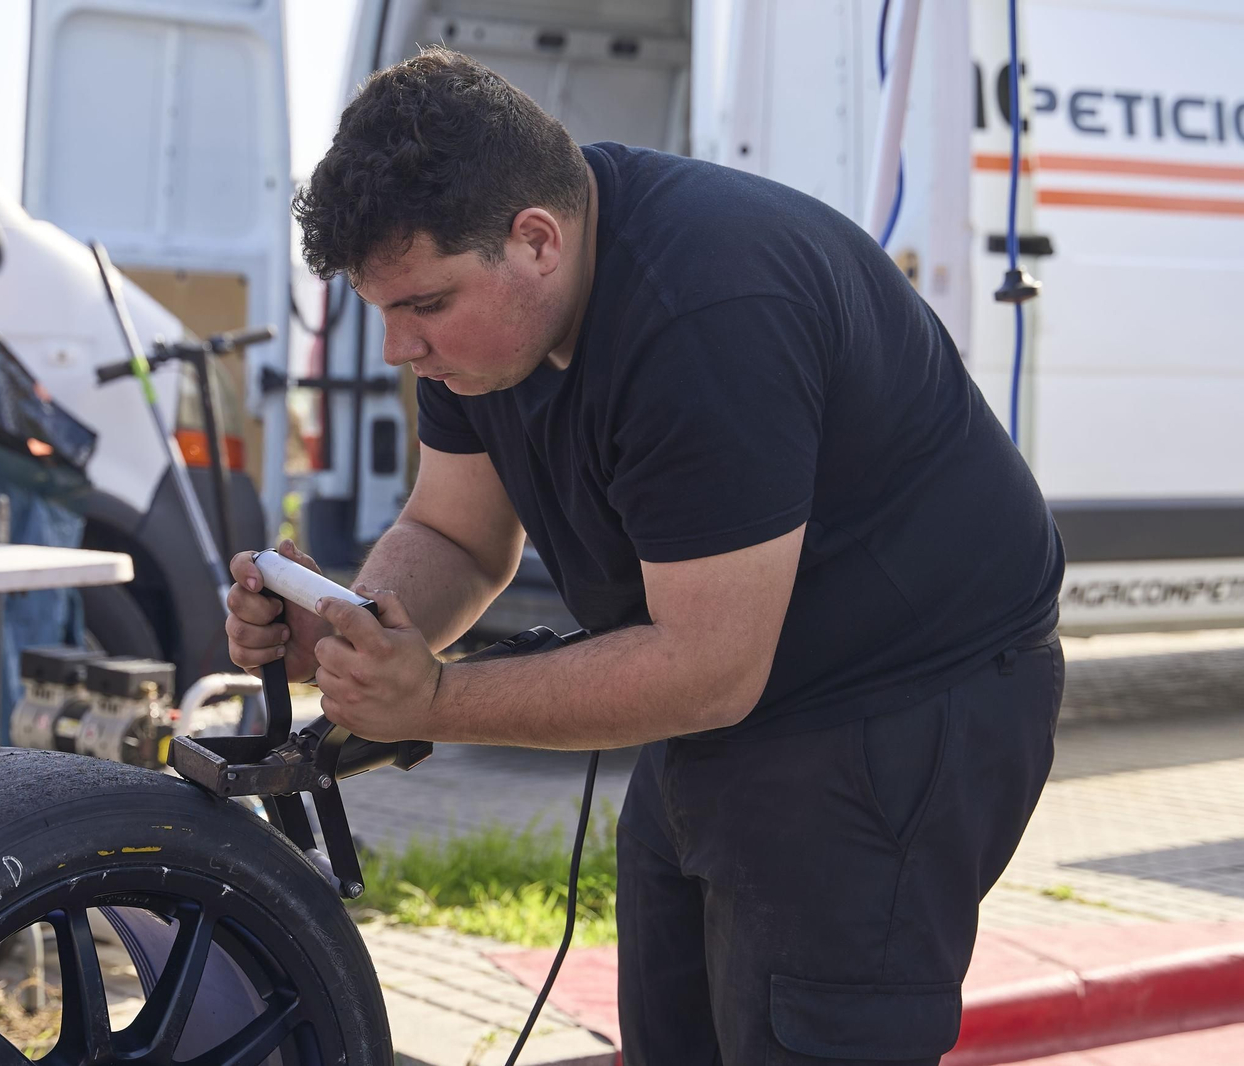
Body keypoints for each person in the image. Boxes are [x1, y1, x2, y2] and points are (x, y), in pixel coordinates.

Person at [226, 48, 1065, 1065]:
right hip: (725, 694)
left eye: (424, 307)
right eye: (384, 308)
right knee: (673, 1034)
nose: (401, 345)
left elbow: (708, 667)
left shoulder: (708, 311)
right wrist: (358, 626)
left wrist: (434, 702)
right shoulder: (485, 323)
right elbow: (456, 532)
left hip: (897, 703)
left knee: (811, 1035)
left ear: (534, 240)